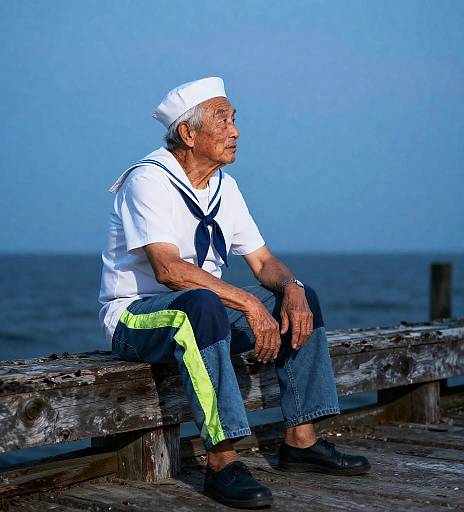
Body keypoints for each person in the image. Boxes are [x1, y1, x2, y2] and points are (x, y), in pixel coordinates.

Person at [98, 77, 370, 509]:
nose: (236, 131)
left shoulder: (226, 187)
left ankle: (301, 441)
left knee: (300, 299)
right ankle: (222, 462)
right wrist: (246, 303)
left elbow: (263, 263)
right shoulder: (147, 180)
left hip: (203, 312)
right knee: (201, 306)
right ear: (188, 134)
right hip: (136, 319)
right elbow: (169, 271)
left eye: (235, 120)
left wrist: (292, 287)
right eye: (223, 121)